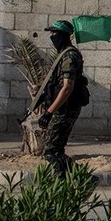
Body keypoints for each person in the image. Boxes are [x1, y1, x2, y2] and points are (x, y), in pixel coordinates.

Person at [38, 20, 84, 176]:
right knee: (56, 150)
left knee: (51, 151)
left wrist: (48, 112)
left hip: (65, 109)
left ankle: (77, 178)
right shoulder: (64, 54)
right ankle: (74, 179)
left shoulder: (69, 56)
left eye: (55, 33)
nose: (52, 36)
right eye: (51, 33)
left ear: (64, 35)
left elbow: (67, 88)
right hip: (63, 107)